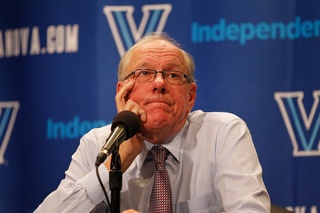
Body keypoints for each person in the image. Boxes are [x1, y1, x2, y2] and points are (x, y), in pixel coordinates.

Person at [35, 32, 270, 213]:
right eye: (144, 73)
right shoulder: (97, 144)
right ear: (123, 93)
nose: (159, 83)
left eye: (173, 75)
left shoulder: (223, 133)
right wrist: (116, 163)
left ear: (191, 96)